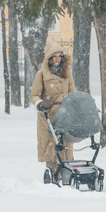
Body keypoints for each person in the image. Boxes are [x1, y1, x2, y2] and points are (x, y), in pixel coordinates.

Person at [30, 42, 75, 173]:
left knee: (65, 144)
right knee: (51, 145)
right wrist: (39, 103)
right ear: (49, 58)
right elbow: (34, 95)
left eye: (59, 56)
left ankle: (66, 171)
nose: (57, 59)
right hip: (48, 114)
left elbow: (72, 92)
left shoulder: (67, 74)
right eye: (54, 56)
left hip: (65, 113)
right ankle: (52, 172)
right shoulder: (42, 75)